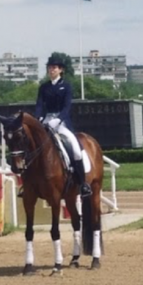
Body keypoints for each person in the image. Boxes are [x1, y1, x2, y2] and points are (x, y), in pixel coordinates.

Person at [34, 56, 90, 195]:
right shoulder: (44, 87)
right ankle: (31, 182)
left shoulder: (67, 86)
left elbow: (67, 107)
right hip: (46, 120)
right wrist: (39, 117)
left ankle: (83, 184)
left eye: (54, 68)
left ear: (60, 70)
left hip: (61, 122)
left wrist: (58, 119)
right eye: (49, 67)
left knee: (76, 148)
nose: (51, 70)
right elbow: (39, 105)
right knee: (33, 145)